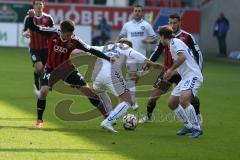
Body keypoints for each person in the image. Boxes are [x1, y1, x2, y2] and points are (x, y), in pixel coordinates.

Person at [27, 9, 114, 128]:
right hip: (51, 69)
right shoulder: (52, 33)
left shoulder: (75, 40)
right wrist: (31, 18)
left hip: (67, 69)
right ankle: (39, 120)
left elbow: (90, 49)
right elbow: (34, 28)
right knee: (43, 92)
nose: (69, 37)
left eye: (71, 35)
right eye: (67, 35)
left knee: (88, 91)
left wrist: (108, 58)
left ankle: (107, 116)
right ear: (61, 31)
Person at [139, 13, 203, 125]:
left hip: (182, 74)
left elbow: (198, 54)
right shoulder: (165, 36)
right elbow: (157, 52)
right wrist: (148, 63)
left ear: (179, 23)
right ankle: (148, 117)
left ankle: (196, 115)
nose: (172, 25)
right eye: (170, 22)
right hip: (167, 72)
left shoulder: (186, 36)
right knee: (154, 95)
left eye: (174, 23)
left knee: (190, 98)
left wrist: (199, 70)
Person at [91, 38, 163, 132]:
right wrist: (151, 63)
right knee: (128, 101)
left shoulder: (105, 47)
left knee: (101, 91)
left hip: (97, 78)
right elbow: (137, 56)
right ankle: (108, 121)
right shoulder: (124, 48)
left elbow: (88, 48)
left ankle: (110, 115)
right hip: (111, 75)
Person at [158, 26, 203, 138]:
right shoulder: (172, 45)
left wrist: (170, 69)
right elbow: (180, 66)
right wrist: (169, 74)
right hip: (185, 77)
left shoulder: (174, 42)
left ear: (163, 36)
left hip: (193, 75)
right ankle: (188, 126)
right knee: (172, 103)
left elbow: (182, 57)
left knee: (184, 100)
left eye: (160, 37)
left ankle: (196, 128)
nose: (160, 40)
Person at [116, 5, 157, 110]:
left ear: (142, 13)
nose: (137, 13)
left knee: (135, 79)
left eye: (139, 11)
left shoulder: (146, 25)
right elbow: (120, 36)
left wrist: (147, 41)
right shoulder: (127, 25)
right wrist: (115, 46)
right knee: (132, 77)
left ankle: (129, 97)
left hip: (142, 57)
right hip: (130, 56)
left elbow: (155, 39)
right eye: (135, 11)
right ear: (133, 12)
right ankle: (133, 103)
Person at [22, 0, 54, 96]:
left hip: (46, 48)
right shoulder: (28, 18)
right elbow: (23, 31)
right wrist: (26, 33)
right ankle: (36, 83)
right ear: (33, 6)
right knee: (39, 67)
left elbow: (53, 32)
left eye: (40, 3)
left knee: (45, 69)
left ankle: (44, 84)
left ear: (43, 5)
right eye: (37, 4)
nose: (39, 5)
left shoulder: (48, 18)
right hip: (34, 48)